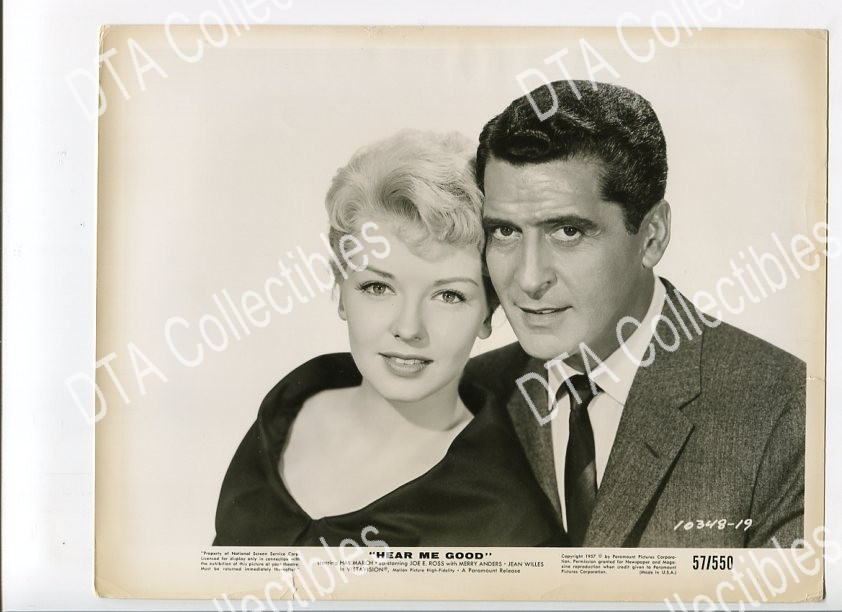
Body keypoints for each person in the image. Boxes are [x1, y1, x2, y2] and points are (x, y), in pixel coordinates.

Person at [465, 80, 806, 548]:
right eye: (505, 232)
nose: (528, 278)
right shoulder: (467, 395)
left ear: (652, 236)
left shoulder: (784, 409)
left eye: (567, 231)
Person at [213, 130, 563, 547]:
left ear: (489, 312)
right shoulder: (282, 415)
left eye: (449, 296)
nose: (409, 328)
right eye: (378, 287)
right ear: (341, 290)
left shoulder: (508, 518)